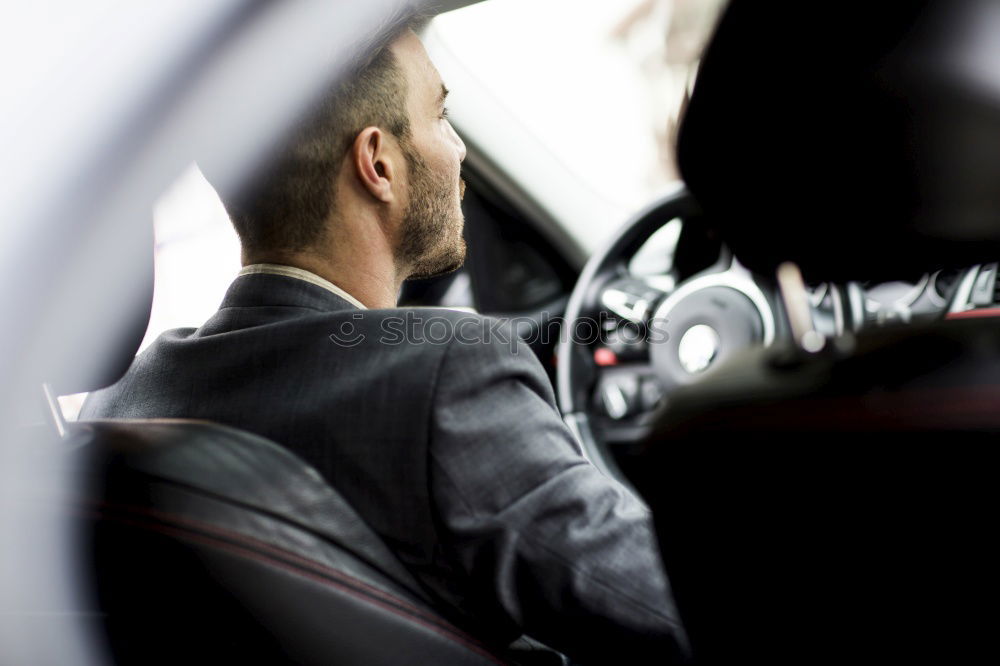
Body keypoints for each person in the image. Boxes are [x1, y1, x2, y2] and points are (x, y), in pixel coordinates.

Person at [81, 17, 689, 665]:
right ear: (378, 163)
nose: (458, 151)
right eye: (441, 116)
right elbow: (683, 609)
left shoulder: (123, 407)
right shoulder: (451, 377)